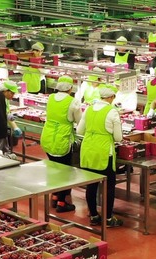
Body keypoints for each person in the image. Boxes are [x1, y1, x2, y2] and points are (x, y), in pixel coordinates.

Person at [77, 85, 123, 228]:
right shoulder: (112, 112)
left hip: (88, 149)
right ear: (111, 97)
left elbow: (79, 130)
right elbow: (118, 138)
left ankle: (94, 215)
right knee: (109, 186)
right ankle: (108, 218)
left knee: (91, 185)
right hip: (103, 152)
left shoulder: (89, 109)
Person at [40, 75, 83, 212]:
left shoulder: (51, 98)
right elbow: (80, 121)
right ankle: (62, 202)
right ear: (70, 88)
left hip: (48, 137)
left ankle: (54, 196)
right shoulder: (73, 102)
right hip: (62, 139)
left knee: (54, 168)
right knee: (65, 172)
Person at [0, 80, 23, 155]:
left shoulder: (5, 99)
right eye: (12, 93)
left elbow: (7, 113)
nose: (13, 96)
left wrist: (15, 127)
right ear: (5, 91)